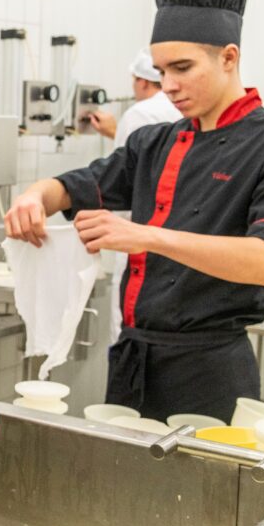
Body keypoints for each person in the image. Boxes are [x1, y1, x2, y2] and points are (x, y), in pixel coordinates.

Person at [4, 0, 264, 423]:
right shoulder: (155, 142)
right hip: (133, 362)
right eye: (160, 70)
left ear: (229, 57)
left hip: (209, 371)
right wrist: (34, 197)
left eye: (182, 68)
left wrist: (146, 236)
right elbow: (74, 187)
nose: (168, 86)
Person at [88, 48, 183, 345]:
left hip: (137, 240)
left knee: (127, 336)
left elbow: (126, 174)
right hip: (181, 251)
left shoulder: (140, 113)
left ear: (142, 81)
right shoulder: (180, 111)